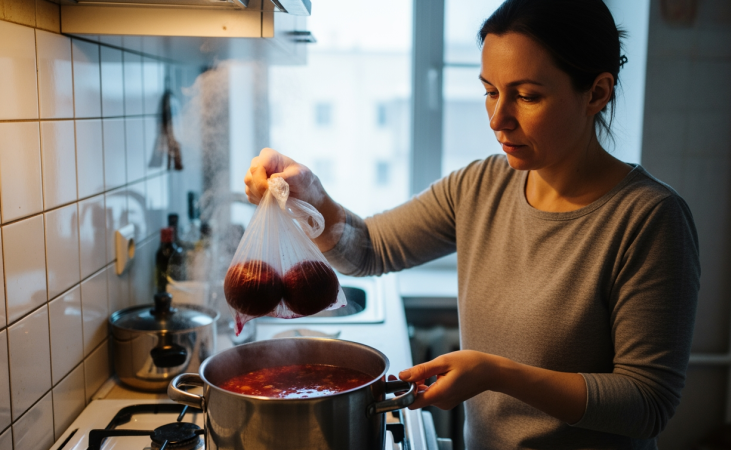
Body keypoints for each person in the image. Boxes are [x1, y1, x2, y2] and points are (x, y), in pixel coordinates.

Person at [243, 0, 700, 448]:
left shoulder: (649, 220)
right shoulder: (481, 185)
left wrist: (497, 374)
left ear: (596, 93)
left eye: (526, 95)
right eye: (490, 91)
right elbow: (369, 249)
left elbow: (647, 403)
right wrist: (312, 195)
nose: (499, 119)